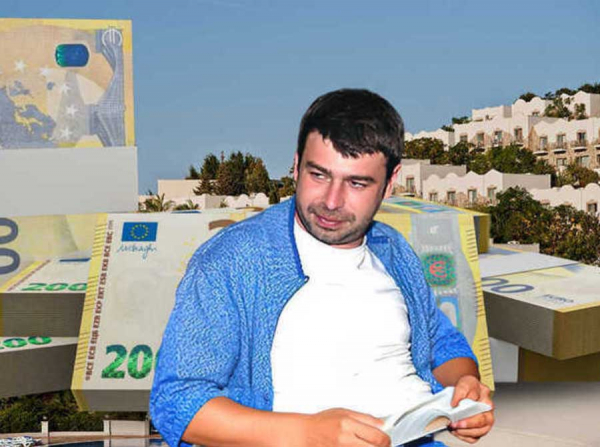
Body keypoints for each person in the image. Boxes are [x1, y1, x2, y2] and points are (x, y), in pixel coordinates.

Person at [150, 88, 494, 447]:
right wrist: (307, 433)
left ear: (390, 183)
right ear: (297, 165)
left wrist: (465, 388)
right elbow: (176, 403)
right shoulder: (232, 261)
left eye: (356, 183)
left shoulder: (393, 251)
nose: (331, 201)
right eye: (318, 175)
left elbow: (441, 342)